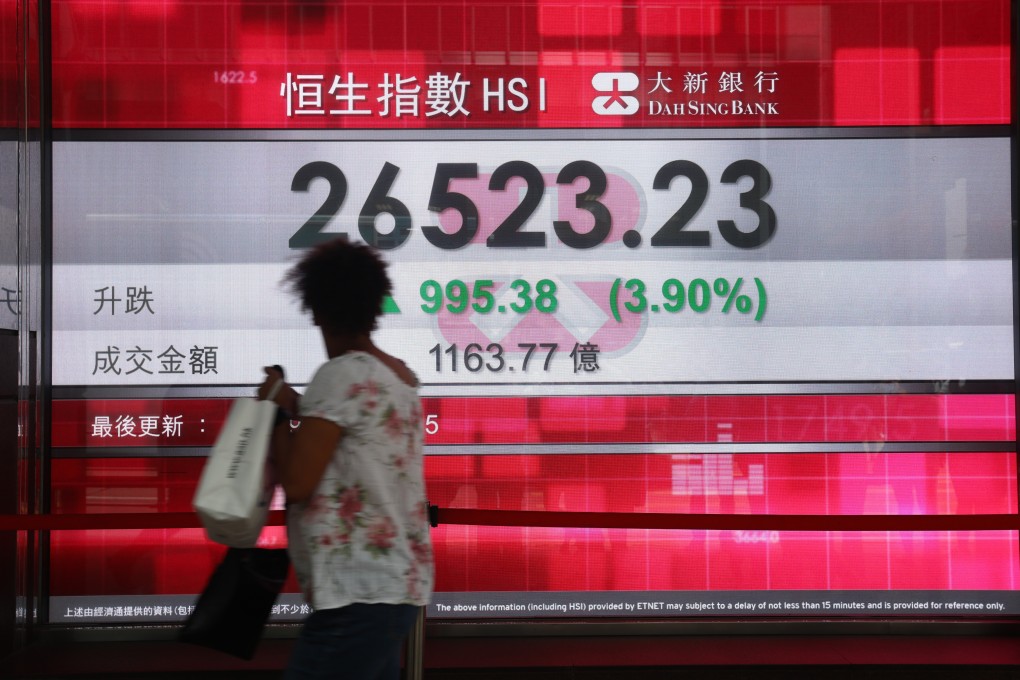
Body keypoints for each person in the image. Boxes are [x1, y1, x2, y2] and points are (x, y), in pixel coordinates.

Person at [257, 238, 433, 680]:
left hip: (357, 593)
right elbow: (351, 432)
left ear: (316, 311)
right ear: (375, 306)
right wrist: (294, 403)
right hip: (396, 586)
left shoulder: (338, 375)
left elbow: (298, 483)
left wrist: (277, 415)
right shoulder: (399, 377)